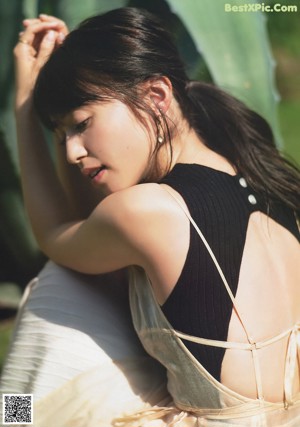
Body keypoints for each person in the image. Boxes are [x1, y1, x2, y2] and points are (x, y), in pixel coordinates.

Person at [10, 6, 300, 426]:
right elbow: (86, 224)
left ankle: (8, 417)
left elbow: (56, 232)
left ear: (156, 96)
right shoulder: (258, 176)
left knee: (57, 283)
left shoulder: (149, 210)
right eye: (61, 137)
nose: (72, 152)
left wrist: (23, 103)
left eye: (81, 124)